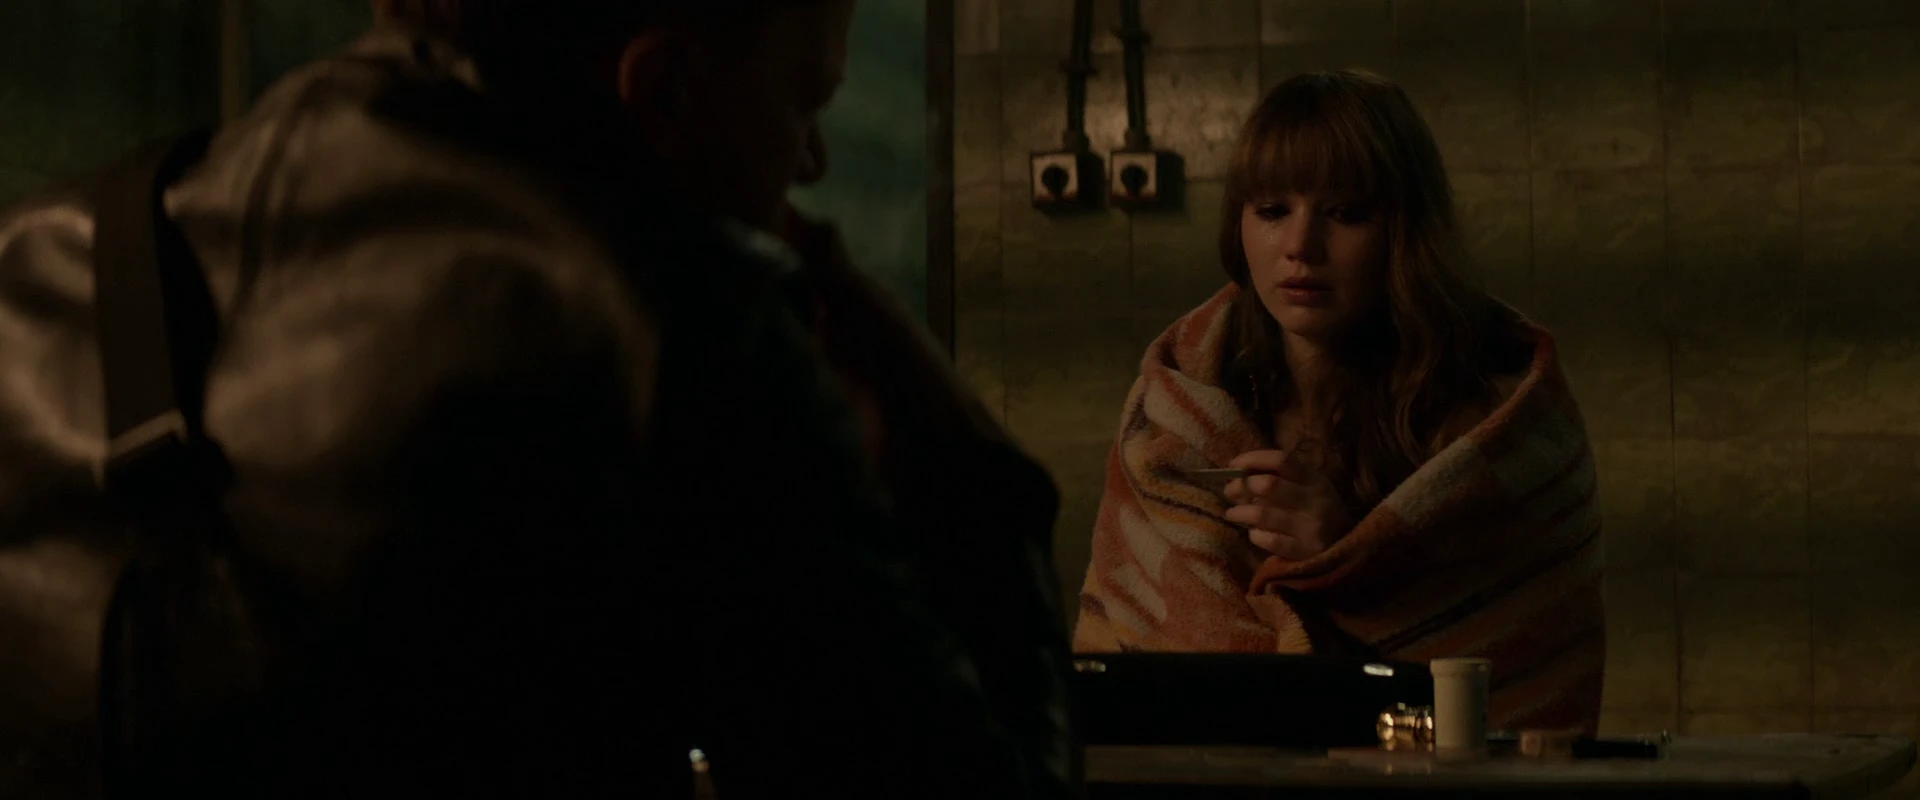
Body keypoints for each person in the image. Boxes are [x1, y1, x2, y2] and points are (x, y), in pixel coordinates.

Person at [0, 0, 1075, 797]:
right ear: (663, 90)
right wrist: (970, 466)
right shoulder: (670, 324)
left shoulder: (37, 258)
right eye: (808, 100)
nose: (815, 158)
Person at [1073, 70, 1605, 733]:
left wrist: (1346, 556)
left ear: (1405, 229)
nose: (1300, 247)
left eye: (1347, 213)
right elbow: (1125, 664)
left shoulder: (1501, 427)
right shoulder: (1177, 404)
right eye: (1272, 211)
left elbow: (1510, 675)